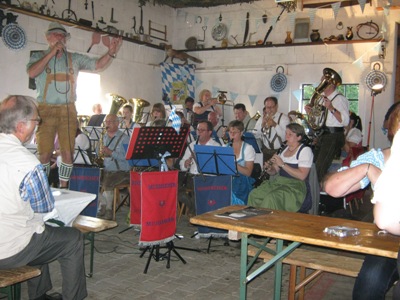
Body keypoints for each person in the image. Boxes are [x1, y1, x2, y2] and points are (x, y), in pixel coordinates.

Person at [0, 95, 87, 300]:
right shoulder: (27, 162)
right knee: (72, 238)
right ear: (21, 126)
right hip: (8, 250)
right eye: (36, 121)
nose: (38, 126)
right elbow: (44, 207)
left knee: (40, 233)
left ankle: (40, 294)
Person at [26, 22, 122, 188]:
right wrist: (51, 54)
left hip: (68, 109)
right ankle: (42, 188)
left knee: (67, 152)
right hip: (45, 110)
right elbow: (32, 72)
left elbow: (97, 65)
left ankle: (63, 188)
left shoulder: (74, 59)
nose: (60, 38)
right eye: (56, 35)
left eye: (63, 35)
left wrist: (111, 52)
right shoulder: (38, 56)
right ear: (47, 38)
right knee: (44, 154)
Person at [324, 103, 400, 300]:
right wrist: (367, 168)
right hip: (390, 238)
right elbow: (332, 188)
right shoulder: (380, 158)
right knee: (368, 285)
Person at [248, 123, 313, 213]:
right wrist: (269, 168)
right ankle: (253, 222)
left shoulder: (305, 150)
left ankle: (267, 224)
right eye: (286, 133)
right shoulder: (283, 149)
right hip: (280, 182)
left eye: (290, 134)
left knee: (271, 198)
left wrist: (283, 165)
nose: (286, 137)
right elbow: (274, 171)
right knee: (254, 194)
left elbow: (302, 176)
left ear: (299, 137)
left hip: (296, 186)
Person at [305, 71, 350, 182]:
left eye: (323, 82)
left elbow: (345, 121)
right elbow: (317, 120)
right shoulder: (321, 99)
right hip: (323, 135)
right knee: (313, 163)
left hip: (334, 135)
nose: (321, 84)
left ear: (331, 85)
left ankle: (314, 192)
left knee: (320, 167)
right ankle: (312, 188)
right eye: (322, 81)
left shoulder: (340, 99)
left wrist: (331, 108)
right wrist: (310, 113)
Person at [179, 120, 221, 215]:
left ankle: (194, 212)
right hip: (190, 176)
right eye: (198, 130)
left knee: (197, 186)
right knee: (173, 185)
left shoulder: (215, 146)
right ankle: (192, 206)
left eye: (202, 130)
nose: (199, 132)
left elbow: (217, 168)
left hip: (206, 178)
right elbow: (182, 164)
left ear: (209, 132)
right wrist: (185, 164)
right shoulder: (192, 145)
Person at [97, 114, 130, 220]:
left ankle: (108, 209)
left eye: (110, 121)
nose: (107, 123)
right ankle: (103, 203)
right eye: (106, 121)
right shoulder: (103, 137)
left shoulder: (125, 138)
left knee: (108, 182)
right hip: (106, 169)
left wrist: (111, 152)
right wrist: (100, 153)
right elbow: (97, 152)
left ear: (117, 123)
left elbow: (127, 157)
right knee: (90, 179)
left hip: (121, 171)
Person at [227, 120, 255, 205]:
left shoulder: (248, 148)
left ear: (241, 133)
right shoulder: (225, 147)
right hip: (227, 179)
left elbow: (248, 172)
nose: (232, 135)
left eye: (235, 132)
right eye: (230, 132)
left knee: (230, 193)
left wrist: (234, 164)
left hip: (242, 181)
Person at [253, 96, 290, 162]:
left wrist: (275, 125)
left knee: (276, 171)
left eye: (272, 107)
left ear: (276, 106)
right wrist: (262, 125)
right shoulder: (262, 118)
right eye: (267, 107)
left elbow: (285, 137)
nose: (269, 110)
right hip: (265, 151)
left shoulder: (284, 118)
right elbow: (255, 135)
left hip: (279, 152)